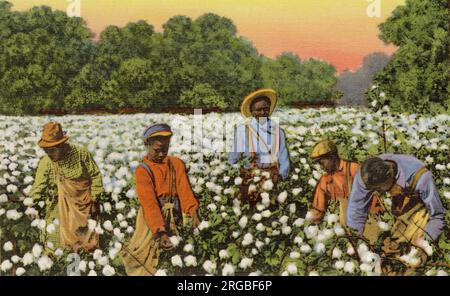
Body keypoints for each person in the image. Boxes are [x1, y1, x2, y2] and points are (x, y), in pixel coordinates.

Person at [123, 123, 201, 276]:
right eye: (157, 150)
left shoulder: (176, 164)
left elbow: (185, 191)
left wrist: (193, 212)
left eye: (164, 150)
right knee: (146, 254)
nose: (161, 154)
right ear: (148, 146)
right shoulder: (143, 171)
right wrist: (160, 231)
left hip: (175, 214)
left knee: (177, 252)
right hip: (151, 219)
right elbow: (149, 204)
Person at [346, 154, 445, 255]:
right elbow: (357, 209)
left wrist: (424, 242)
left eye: (379, 189)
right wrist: (354, 241)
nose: (377, 192)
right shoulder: (366, 174)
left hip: (419, 204)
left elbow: (437, 215)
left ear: (390, 174)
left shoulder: (420, 177)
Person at [30, 121, 102, 252]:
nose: (49, 154)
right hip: (58, 207)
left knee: (84, 244)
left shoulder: (81, 154)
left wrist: (94, 199)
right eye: (46, 150)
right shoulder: (46, 162)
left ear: (61, 145)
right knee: (56, 242)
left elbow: (95, 175)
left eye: (52, 150)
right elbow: (38, 187)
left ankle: (82, 267)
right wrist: (32, 206)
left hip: (84, 207)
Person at [308, 140, 384, 240]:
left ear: (332, 157)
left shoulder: (355, 169)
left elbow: (373, 200)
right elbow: (318, 209)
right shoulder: (325, 180)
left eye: (322, 163)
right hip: (341, 231)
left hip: (363, 224)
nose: (321, 167)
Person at [228, 89, 290, 205]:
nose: (262, 112)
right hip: (250, 179)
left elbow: (283, 157)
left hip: (273, 179)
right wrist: (237, 172)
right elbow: (233, 158)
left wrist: (281, 176)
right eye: (258, 110)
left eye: (266, 109)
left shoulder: (278, 131)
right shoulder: (243, 131)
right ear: (252, 111)